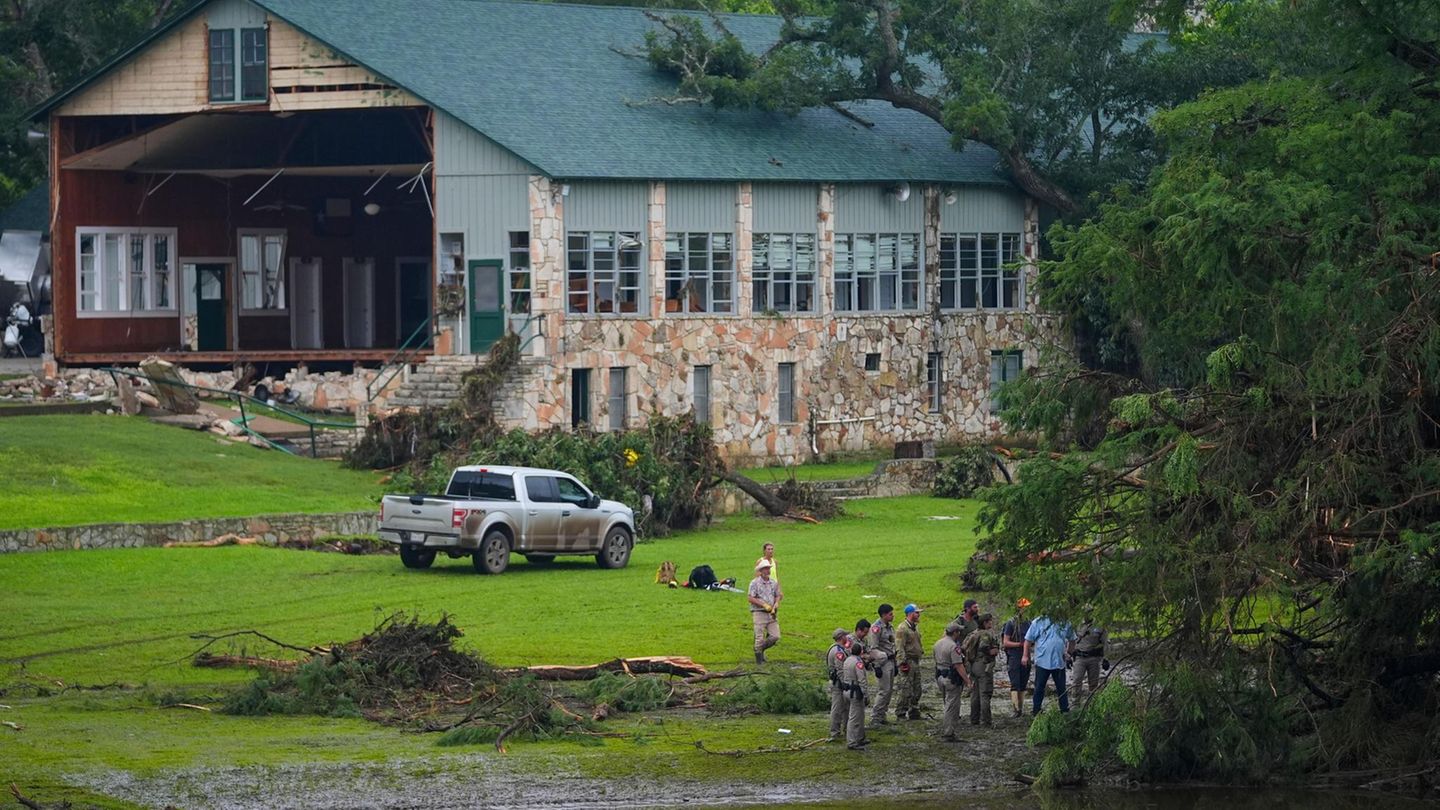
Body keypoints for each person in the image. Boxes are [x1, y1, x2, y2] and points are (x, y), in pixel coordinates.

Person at [1022, 609, 1076, 715]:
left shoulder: (1065, 622)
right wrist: (1025, 656)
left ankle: (1064, 710)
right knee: (1039, 687)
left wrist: (1069, 653)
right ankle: (1036, 710)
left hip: (1059, 661)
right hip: (1042, 660)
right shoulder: (1038, 622)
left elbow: (1072, 639)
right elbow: (1028, 640)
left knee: (1061, 687)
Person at [932, 621, 972, 742]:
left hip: (940, 677)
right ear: (955, 632)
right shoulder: (954, 647)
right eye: (958, 631)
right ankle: (948, 733)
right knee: (952, 706)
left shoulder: (937, 643)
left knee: (947, 703)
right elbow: (958, 665)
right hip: (951, 679)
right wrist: (967, 680)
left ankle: (948, 730)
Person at [963, 613, 1000, 726]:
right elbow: (984, 647)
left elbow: (964, 647)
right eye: (989, 621)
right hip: (983, 665)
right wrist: (991, 651)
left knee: (975, 693)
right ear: (985, 623)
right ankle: (986, 720)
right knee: (985, 693)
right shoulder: (985, 634)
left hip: (973, 665)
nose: (991, 623)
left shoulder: (973, 633)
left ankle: (974, 719)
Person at [866, 603, 898, 725]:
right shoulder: (876, 628)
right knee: (883, 690)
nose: (893, 616)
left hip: (890, 661)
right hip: (882, 662)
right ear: (884, 615)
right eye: (890, 614)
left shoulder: (890, 627)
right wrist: (877, 666)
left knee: (889, 691)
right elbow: (873, 649)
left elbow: (892, 645)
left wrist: (895, 664)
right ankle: (876, 717)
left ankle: (882, 715)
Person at [1001, 598, 1033, 718]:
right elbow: (1006, 642)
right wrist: (1020, 644)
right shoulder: (1011, 623)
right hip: (1014, 655)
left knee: (1023, 682)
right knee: (1015, 683)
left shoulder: (1029, 623)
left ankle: (1021, 707)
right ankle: (1016, 709)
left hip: (1026, 655)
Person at [747, 560, 783, 664]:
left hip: (771, 613)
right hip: (759, 612)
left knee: (775, 636)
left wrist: (776, 603)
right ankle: (759, 661)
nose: (768, 570)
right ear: (761, 570)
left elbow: (778, 595)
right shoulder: (754, 583)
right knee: (759, 637)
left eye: (769, 568)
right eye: (766, 568)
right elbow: (750, 598)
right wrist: (763, 604)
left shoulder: (773, 582)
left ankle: (760, 649)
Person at [840, 631, 870, 749]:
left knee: (859, 715)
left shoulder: (847, 660)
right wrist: (866, 695)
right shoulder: (858, 663)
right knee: (854, 717)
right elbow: (862, 680)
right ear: (861, 652)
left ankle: (859, 737)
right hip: (855, 692)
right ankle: (852, 742)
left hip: (847, 689)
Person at [895, 603, 925, 720]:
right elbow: (899, 647)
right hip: (908, 661)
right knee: (905, 688)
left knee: (917, 688)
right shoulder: (902, 629)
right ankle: (901, 712)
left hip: (916, 661)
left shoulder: (915, 627)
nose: (918, 615)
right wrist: (902, 663)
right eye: (917, 612)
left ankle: (914, 711)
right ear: (910, 614)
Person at [1071, 608, 1108, 702]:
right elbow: (1070, 640)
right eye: (1085, 613)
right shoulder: (1077, 624)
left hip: (1094, 658)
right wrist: (1068, 655)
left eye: (1089, 612)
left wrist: (1105, 658)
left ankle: (1092, 704)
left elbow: (1105, 643)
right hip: (1080, 657)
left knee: (1094, 683)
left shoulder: (1100, 626)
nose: (1087, 615)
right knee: (1076, 681)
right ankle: (1075, 704)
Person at [826, 627, 850, 741]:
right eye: (845, 635)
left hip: (836, 681)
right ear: (842, 637)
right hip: (838, 683)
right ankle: (834, 732)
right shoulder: (838, 652)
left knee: (844, 707)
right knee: (837, 708)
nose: (847, 637)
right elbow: (840, 670)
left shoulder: (834, 648)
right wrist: (845, 683)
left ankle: (844, 729)